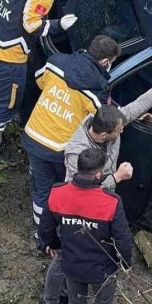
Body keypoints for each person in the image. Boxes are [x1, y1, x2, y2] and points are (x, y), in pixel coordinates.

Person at [40, 62, 152, 304]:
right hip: (77, 207)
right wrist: (116, 177)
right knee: (62, 257)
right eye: (119, 131)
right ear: (104, 134)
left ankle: (64, 293)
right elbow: (78, 187)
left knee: (76, 256)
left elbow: (135, 106)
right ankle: (51, 301)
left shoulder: (107, 123)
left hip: (98, 202)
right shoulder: (77, 151)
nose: (122, 130)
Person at [37, 147, 132, 304]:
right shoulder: (111, 202)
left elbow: (45, 228)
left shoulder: (58, 193)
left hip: (72, 265)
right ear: (99, 174)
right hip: (102, 268)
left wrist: (52, 244)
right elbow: (123, 238)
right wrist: (125, 262)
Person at [22, 34, 119, 236]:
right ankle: (57, 232)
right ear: (104, 62)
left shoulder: (55, 62)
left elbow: (39, 80)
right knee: (61, 191)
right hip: (62, 150)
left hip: (35, 136)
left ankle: (42, 235)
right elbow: (98, 121)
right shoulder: (98, 90)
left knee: (41, 189)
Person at [0, 0, 77, 159]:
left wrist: (9, 16)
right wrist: (59, 25)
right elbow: (32, 26)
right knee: (8, 101)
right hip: (10, 59)